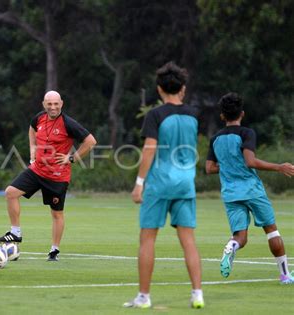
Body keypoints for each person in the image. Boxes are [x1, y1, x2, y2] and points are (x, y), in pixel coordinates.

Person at [124, 62, 204, 309]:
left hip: (160, 184)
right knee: (188, 240)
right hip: (185, 184)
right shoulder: (193, 114)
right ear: (182, 88)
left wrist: (139, 183)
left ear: (159, 89)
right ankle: (197, 294)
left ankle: (144, 297)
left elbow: (149, 149)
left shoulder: (156, 115)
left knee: (147, 239)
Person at [0, 90, 97, 261]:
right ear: (44, 104)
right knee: (10, 193)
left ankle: (54, 250)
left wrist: (72, 158)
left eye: (56, 104)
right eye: (49, 104)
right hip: (37, 170)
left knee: (56, 214)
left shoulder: (69, 123)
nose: (53, 107)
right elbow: (32, 128)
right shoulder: (39, 118)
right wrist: (33, 148)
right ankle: (15, 233)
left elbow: (91, 141)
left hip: (57, 176)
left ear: (61, 104)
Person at [205, 92, 294, 284]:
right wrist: (279, 167)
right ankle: (285, 275)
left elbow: (209, 168)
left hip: (230, 193)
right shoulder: (246, 133)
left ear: (222, 116)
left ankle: (231, 247)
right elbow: (250, 161)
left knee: (240, 236)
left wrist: (228, 165)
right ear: (242, 114)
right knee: (271, 231)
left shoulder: (215, 139)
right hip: (251, 189)